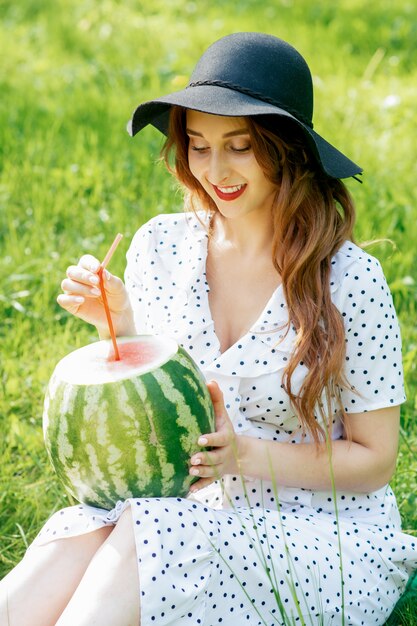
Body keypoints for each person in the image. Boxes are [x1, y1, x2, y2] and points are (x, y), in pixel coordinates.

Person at [0, 32, 415, 626]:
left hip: (324, 534)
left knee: (149, 532)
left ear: (289, 149)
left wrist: (245, 456)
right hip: (188, 505)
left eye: (240, 147)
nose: (214, 170)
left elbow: (375, 460)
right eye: (197, 145)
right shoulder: (161, 246)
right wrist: (120, 328)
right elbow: (161, 412)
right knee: (74, 542)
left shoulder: (348, 280)